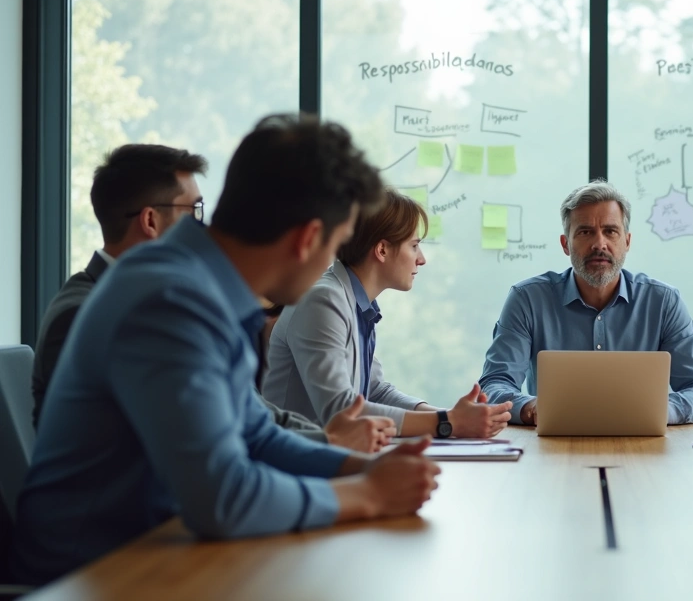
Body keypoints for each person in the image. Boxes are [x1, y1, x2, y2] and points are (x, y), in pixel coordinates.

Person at [12, 115, 441, 586]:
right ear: (307, 239)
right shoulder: (169, 300)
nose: (332, 265)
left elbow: (255, 435)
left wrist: (364, 467)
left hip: (158, 549)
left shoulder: (202, 285)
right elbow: (223, 499)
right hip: (97, 573)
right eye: (338, 245)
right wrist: (369, 495)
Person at [263, 188, 511, 439]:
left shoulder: (355, 302)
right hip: (297, 465)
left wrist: (449, 415)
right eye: (414, 246)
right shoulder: (323, 301)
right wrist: (449, 422)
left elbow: (375, 390)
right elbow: (341, 411)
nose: (421, 259)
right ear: (382, 250)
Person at [479, 180, 693, 425]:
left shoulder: (663, 302)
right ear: (565, 244)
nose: (599, 244)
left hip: (644, 451)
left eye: (610, 231)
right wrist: (530, 406)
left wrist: (659, 411)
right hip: (553, 450)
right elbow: (494, 384)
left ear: (627, 241)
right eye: (585, 232)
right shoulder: (527, 299)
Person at [29, 144, 205, 428]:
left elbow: (248, 415)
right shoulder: (80, 317)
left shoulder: (164, 304)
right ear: (150, 220)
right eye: (195, 210)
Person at [257, 300, 396, 452]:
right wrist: (330, 440)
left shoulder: (348, 312)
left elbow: (376, 389)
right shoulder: (313, 309)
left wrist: (329, 438)